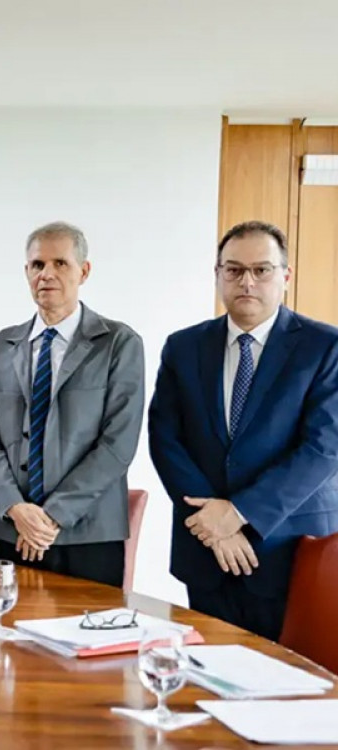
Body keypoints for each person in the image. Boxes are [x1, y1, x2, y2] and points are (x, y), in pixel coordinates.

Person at [149, 220, 338, 640]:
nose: (246, 282)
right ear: (217, 275)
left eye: (261, 270)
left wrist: (238, 514)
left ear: (285, 276)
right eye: (233, 270)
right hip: (205, 551)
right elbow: (165, 438)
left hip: (290, 548)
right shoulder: (183, 346)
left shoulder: (325, 347)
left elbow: (324, 449)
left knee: (288, 675)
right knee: (207, 667)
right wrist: (212, 525)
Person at [0, 222, 144, 587]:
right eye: (37, 265)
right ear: (26, 271)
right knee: (11, 624)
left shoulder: (119, 343)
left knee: (88, 626)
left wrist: (50, 517)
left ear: (84, 271)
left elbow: (118, 444)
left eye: (60, 263)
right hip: (13, 530)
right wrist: (15, 507)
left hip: (89, 536)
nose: (46, 274)